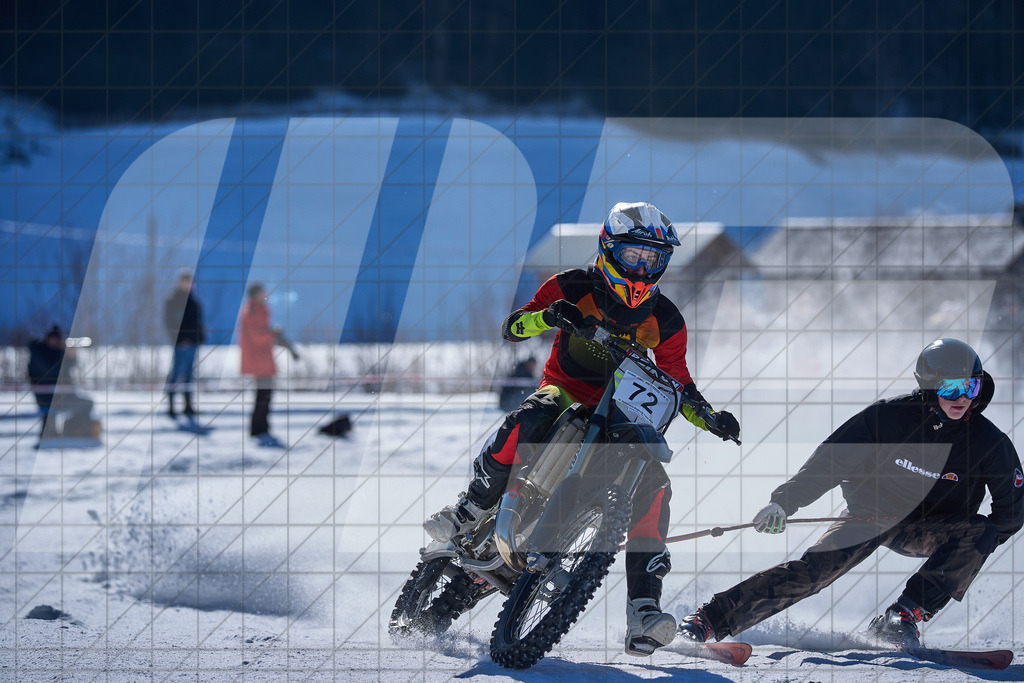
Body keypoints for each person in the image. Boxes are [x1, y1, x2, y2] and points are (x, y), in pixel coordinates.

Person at [423, 202, 741, 656]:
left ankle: (644, 611)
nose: (643, 266)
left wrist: (709, 416)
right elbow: (513, 327)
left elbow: (678, 381)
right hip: (566, 390)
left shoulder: (666, 320)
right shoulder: (573, 285)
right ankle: (469, 510)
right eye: (634, 255)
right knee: (530, 416)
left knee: (656, 485)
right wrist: (550, 315)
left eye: (654, 259)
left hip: (619, 413)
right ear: (609, 249)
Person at [678, 339, 1024, 649]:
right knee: (814, 572)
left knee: (983, 531)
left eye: (972, 386)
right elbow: (830, 462)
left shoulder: (989, 442)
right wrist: (782, 501)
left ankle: (903, 616)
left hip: (930, 528)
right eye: (951, 388)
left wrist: (973, 549)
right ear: (931, 387)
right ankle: (710, 618)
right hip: (871, 514)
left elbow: (1010, 514)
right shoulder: (888, 418)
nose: (962, 398)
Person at [27, 325, 98, 439]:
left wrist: (71, 357)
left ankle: (74, 429)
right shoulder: (39, 353)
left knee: (87, 404)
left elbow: (66, 371)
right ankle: (71, 430)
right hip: (47, 398)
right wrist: (62, 354)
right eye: (55, 339)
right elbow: (52, 372)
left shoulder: (54, 352)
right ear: (48, 339)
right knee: (49, 431)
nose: (57, 342)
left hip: (61, 396)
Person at [239, 284, 282, 448]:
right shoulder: (251, 310)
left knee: (266, 394)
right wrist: (272, 334)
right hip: (258, 359)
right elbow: (256, 335)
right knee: (262, 395)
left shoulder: (260, 309)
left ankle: (263, 426)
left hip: (263, 358)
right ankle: (258, 428)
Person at [163, 270, 205, 418]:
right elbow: (169, 323)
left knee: (189, 376)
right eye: (186, 282)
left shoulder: (194, 302)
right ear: (180, 283)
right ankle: (171, 406)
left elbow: (199, 324)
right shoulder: (173, 301)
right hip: (180, 344)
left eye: (190, 283)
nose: (188, 285)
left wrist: (199, 339)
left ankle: (188, 406)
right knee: (175, 374)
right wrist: (179, 339)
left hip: (193, 344)